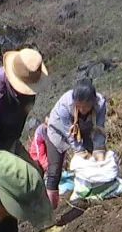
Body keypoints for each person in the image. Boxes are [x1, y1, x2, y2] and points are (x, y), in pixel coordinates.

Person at [39, 78, 108, 208]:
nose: (82, 110)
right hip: (58, 131)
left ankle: (94, 192)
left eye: (86, 106)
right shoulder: (65, 105)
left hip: (85, 128)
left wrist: (99, 149)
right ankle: (50, 210)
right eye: (79, 106)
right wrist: (80, 151)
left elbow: (99, 127)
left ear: (93, 102)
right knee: (54, 171)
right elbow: (69, 134)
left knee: (93, 159)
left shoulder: (101, 104)